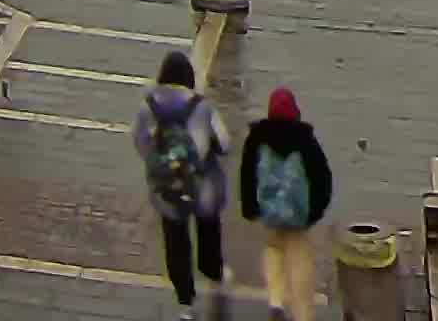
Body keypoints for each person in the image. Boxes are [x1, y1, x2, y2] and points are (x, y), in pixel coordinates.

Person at [134, 50, 229, 317]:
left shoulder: (148, 106)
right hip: (202, 184)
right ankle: (214, 274)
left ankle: (185, 301)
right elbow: (225, 143)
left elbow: (141, 144)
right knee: (208, 229)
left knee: (175, 240)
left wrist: (161, 164)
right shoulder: (201, 105)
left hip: (168, 187)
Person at [238, 86, 338, 320]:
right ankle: (302, 314)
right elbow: (322, 178)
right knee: (300, 261)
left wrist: (250, 208)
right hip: (299, 215)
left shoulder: (257, 138)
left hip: (270, 212)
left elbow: (247, 175)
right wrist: (315, 212)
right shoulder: (305, 140)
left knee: (273, 250)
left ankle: (276, 301)